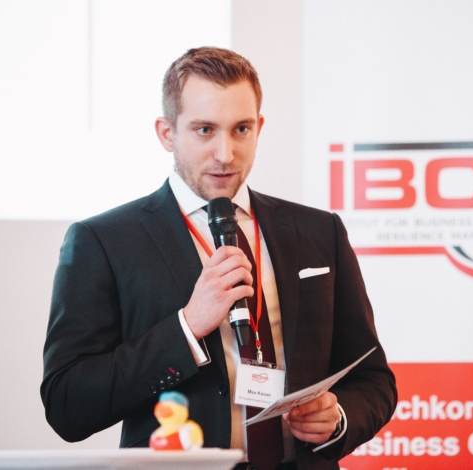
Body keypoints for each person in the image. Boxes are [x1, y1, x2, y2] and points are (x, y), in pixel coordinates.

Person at [41, 47, 396, 470]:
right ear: (167, 133)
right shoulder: (103, 241)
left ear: (259, 128)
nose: (225, 153)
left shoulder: (321, 231)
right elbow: (67, 404)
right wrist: (188, 327)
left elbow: (373, 379)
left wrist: (337, 419)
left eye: (241, 129)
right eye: (205, 130)